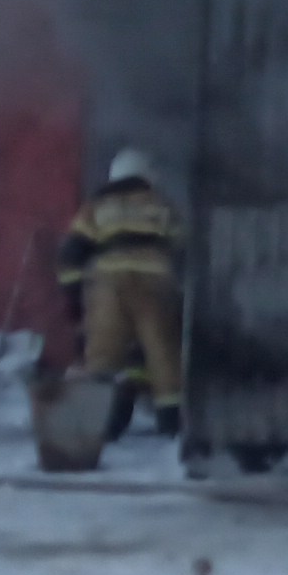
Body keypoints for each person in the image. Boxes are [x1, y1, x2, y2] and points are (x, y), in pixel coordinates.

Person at [59, 145, 186, 436]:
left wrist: (73, 297)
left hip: (108, 287)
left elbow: (70, 253)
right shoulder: (161, 205)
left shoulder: (96, 207)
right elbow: (183, 248)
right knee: (164, 354)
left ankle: (103, 424)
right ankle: (171, 423)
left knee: (103, 357)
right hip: (155, 285)